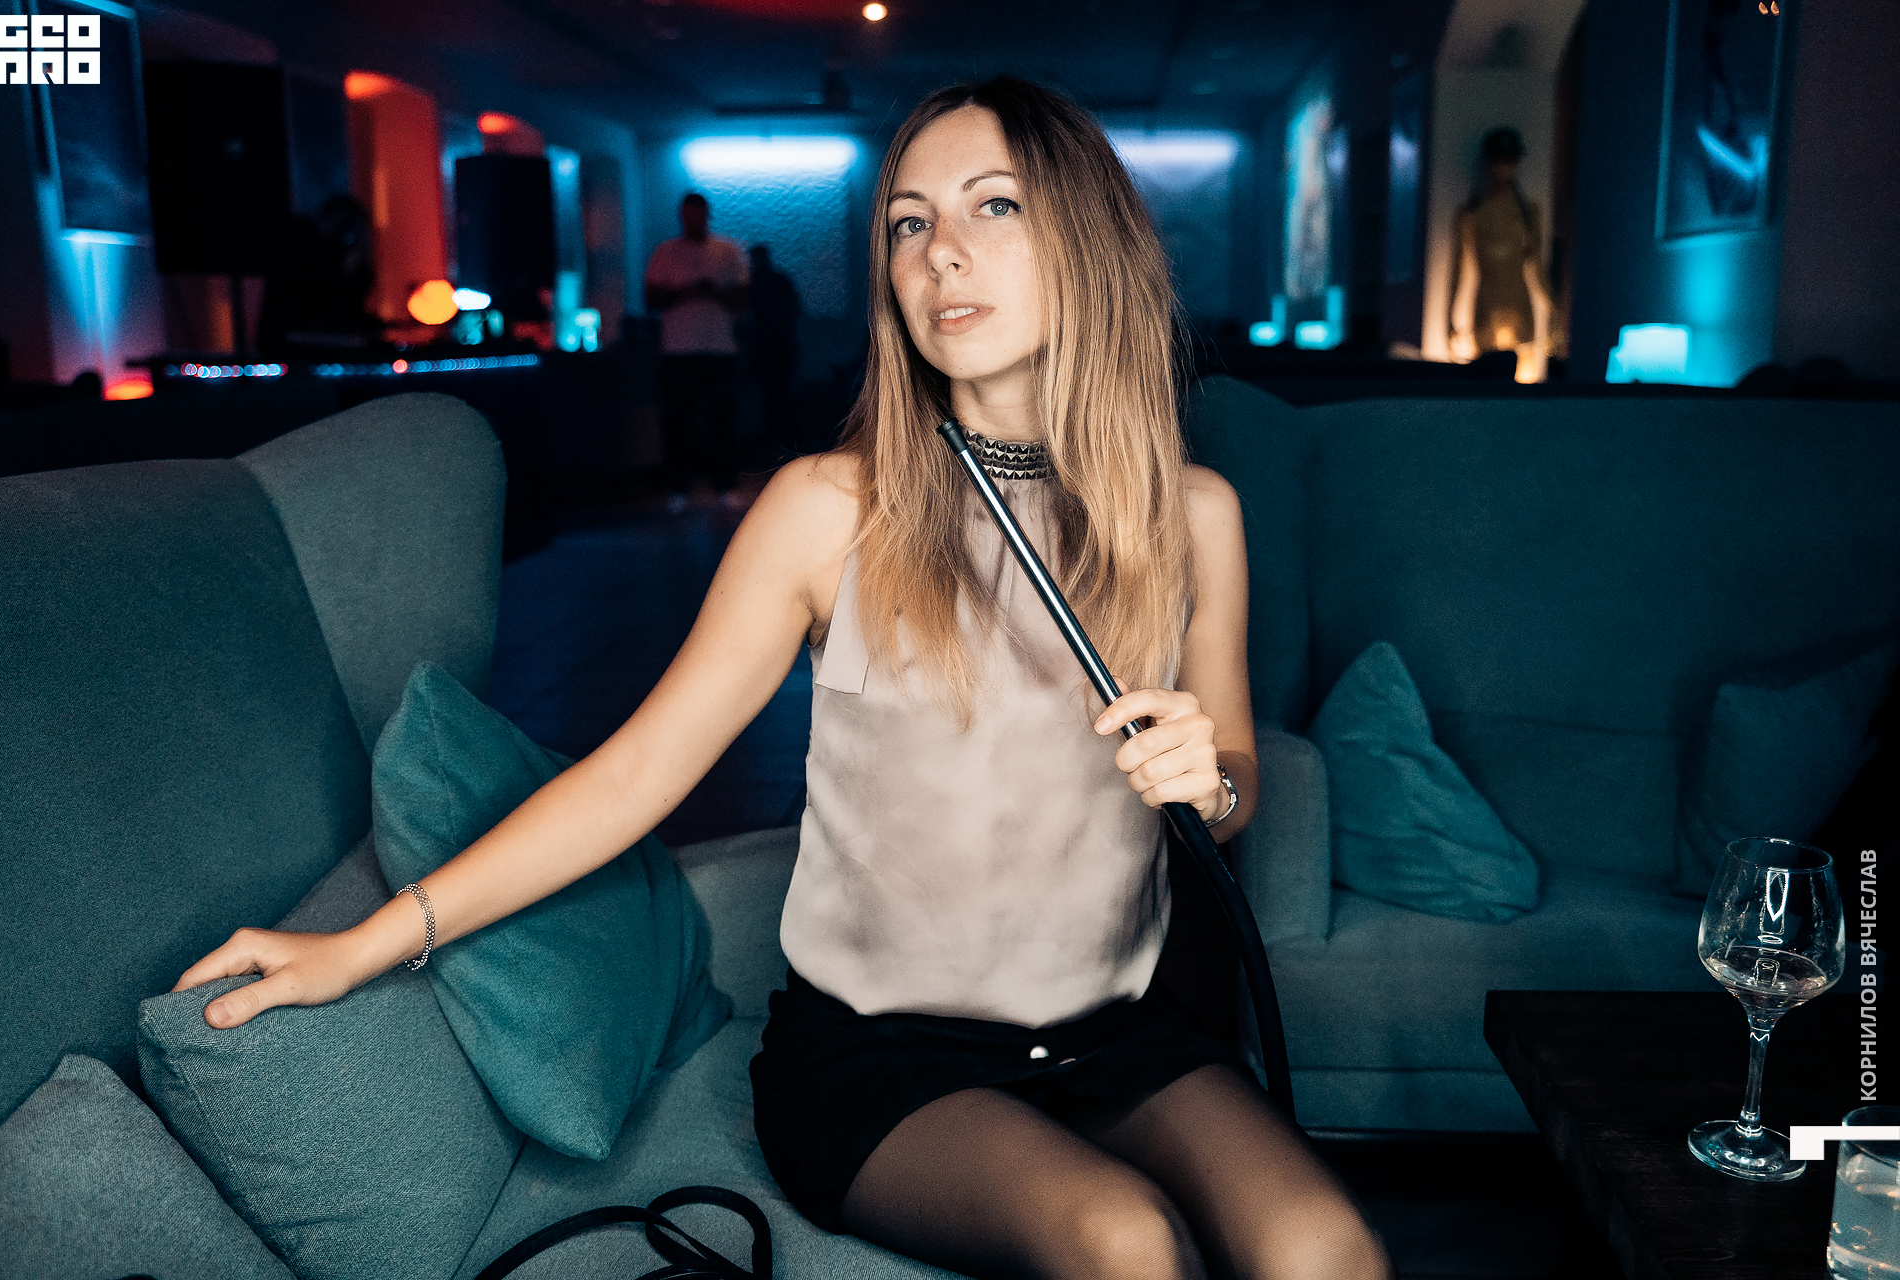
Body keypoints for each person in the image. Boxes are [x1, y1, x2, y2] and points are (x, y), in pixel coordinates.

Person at [173, 76, 1393, 1280]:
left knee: (1326, 1248)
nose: (940, 252)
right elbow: (636, 774)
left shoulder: (1195, 516)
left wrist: (1210, 782)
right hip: (883, 1058)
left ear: (1089, 239)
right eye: (909, 222)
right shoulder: (830, 508)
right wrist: (367, 942)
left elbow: (1234, 780)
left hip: (1119, 1033)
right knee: (1125, 1243)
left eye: (994, 206)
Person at [646, 192, 750, 505]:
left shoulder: (727, 250)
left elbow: (743, 299)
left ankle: (725, 486)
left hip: (719, 349)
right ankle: (677, 489)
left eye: (698, 215)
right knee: (678, 422)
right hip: (678, 350)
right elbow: (651, 299)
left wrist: (714, 292)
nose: (693, 221)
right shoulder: (666, 252)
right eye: (688, 215)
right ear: (682, 216)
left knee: (723, 422)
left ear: (706, 214)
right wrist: (689, 291)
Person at [1448, 127, 1553, 382]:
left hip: (1520, 306)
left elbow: (1538, 268)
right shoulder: (1472, 214)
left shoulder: (1527, 213)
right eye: (1498, 161)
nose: (1504, 169)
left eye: (1509, 162)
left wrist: (1554, 312)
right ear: (1488, 163)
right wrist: (1449, 320)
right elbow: (1457, 270)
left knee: (1524, 381)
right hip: (1487, 306)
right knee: (1487, 382)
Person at [744, 244, 801, 465]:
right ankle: (782, 443)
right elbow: (795, 309)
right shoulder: (777, 280)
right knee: (779, 396)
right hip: (779, 345)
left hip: (766, 346)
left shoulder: (753, 282)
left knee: (770, 397)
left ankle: (775, 443)